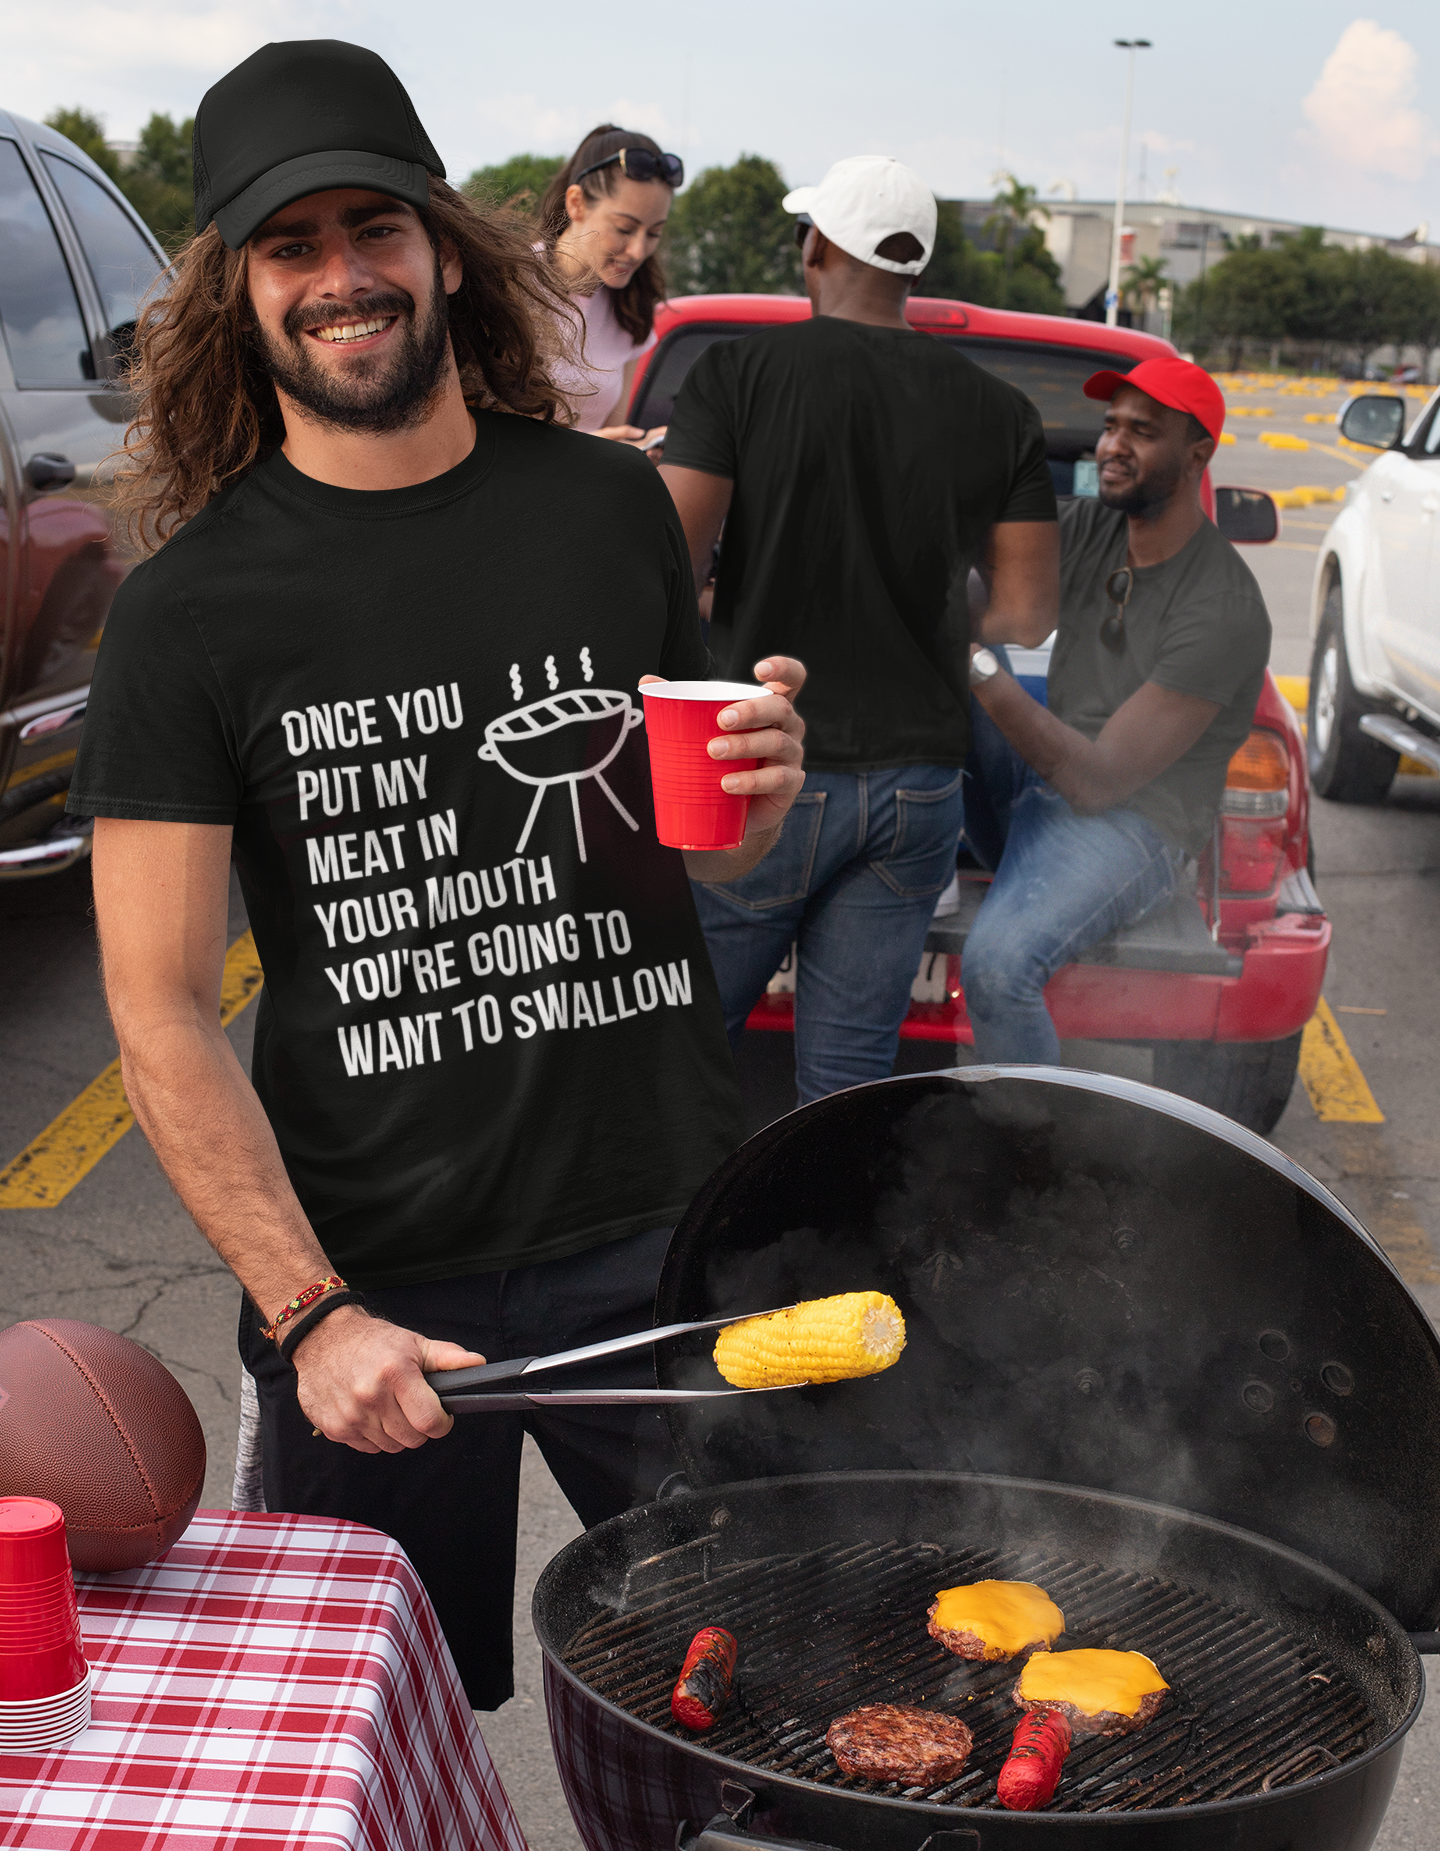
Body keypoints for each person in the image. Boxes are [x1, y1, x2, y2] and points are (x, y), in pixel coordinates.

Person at [66, 37, 805, 1712]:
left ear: (442, 248)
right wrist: (309, 1308)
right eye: (290, 245)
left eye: (371, 227)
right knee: (363, 1741)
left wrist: (759, 794)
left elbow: (697, 841)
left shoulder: (610, 515)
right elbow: (160, 1012)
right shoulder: (190, 616)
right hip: (376, 1287)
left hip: (662, 1240)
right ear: (239, 294)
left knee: (751, 1691)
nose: (341, 277)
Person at [659, 155, 1058, 1104]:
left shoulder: (738, 374)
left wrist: (727, 601)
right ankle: (822, 1251)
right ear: (911, 269)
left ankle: (664, 1249)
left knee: (681, 1051)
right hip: (921, 788)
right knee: (846, 1085)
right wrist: (919, 607)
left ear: (819, 249)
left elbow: (666, 562)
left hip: (768, 774)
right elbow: (1027, 612)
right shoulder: (1000, 412)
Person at [959, 355, 1272, 1064]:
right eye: (1108, 427)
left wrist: (969, 660)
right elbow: (989, 576)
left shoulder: (1223, 607)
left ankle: (1026, 1160)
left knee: (999, 970)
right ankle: (883, 847)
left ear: (1197, 455)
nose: (1111, 446)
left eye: (1141, 431)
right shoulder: (1092, 528)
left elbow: (1100, 782)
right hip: (1040, 789)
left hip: (1133, 824)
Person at [538, 125, 681, 445]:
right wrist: (584, 450)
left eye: (654, 233)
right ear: (576, 203)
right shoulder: (507, 286)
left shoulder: (631, 311)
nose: (639, 251)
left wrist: (638, 448)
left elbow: (610, 438)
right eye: (625, 228)